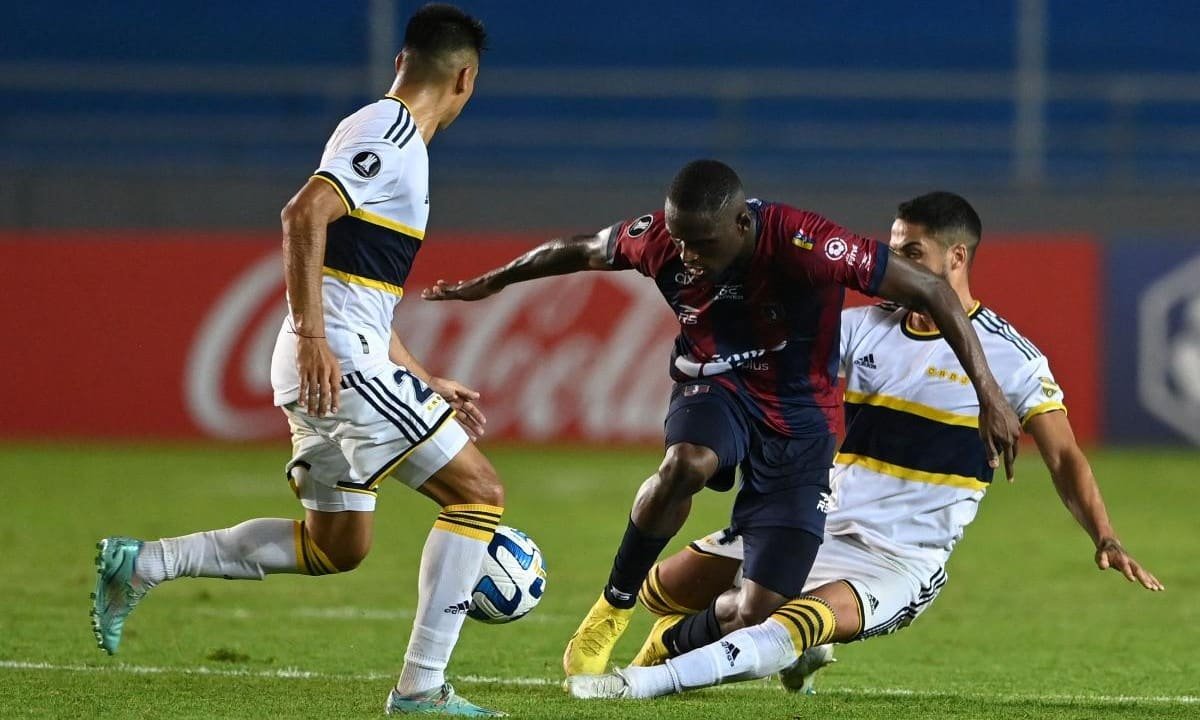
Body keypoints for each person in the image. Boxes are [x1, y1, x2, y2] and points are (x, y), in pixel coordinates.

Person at [422, 162, 1022, 678]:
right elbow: (579, 249)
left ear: (743, 225)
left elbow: (934, 291)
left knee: (759, 608)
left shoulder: (805, 241)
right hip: (717, 385)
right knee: (687, 462)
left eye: (702, 243)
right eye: (680, 240)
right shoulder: (662, 239)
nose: (687, 256)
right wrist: (494, 281)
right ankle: (613, 606)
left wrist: (989, 394)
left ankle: (670, 641)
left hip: (799, 418)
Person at [564, 191, 1165, 701]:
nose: (892, 261)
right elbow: (778, 374)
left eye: (911, 252)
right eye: (893, 246)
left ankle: (636, 685)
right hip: (818, 520)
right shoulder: (863, 327)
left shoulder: (1012, 360)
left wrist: (1105, 536)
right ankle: (720, 641)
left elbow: (1063, 456)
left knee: (787, 621)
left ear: (956, 258)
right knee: (661, 591)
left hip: (898, 558)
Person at [90, 6, 508, 716]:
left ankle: (146, 563)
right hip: (335, 359)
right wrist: (316, 337)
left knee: (335, 547)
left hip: (339, 354)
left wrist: (424, 377)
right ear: (465, 78)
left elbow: (361, 288)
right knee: (479, 495)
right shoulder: (391, 132)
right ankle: (420, 692)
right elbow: (302, 214)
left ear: (401, 60)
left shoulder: (389, 138)